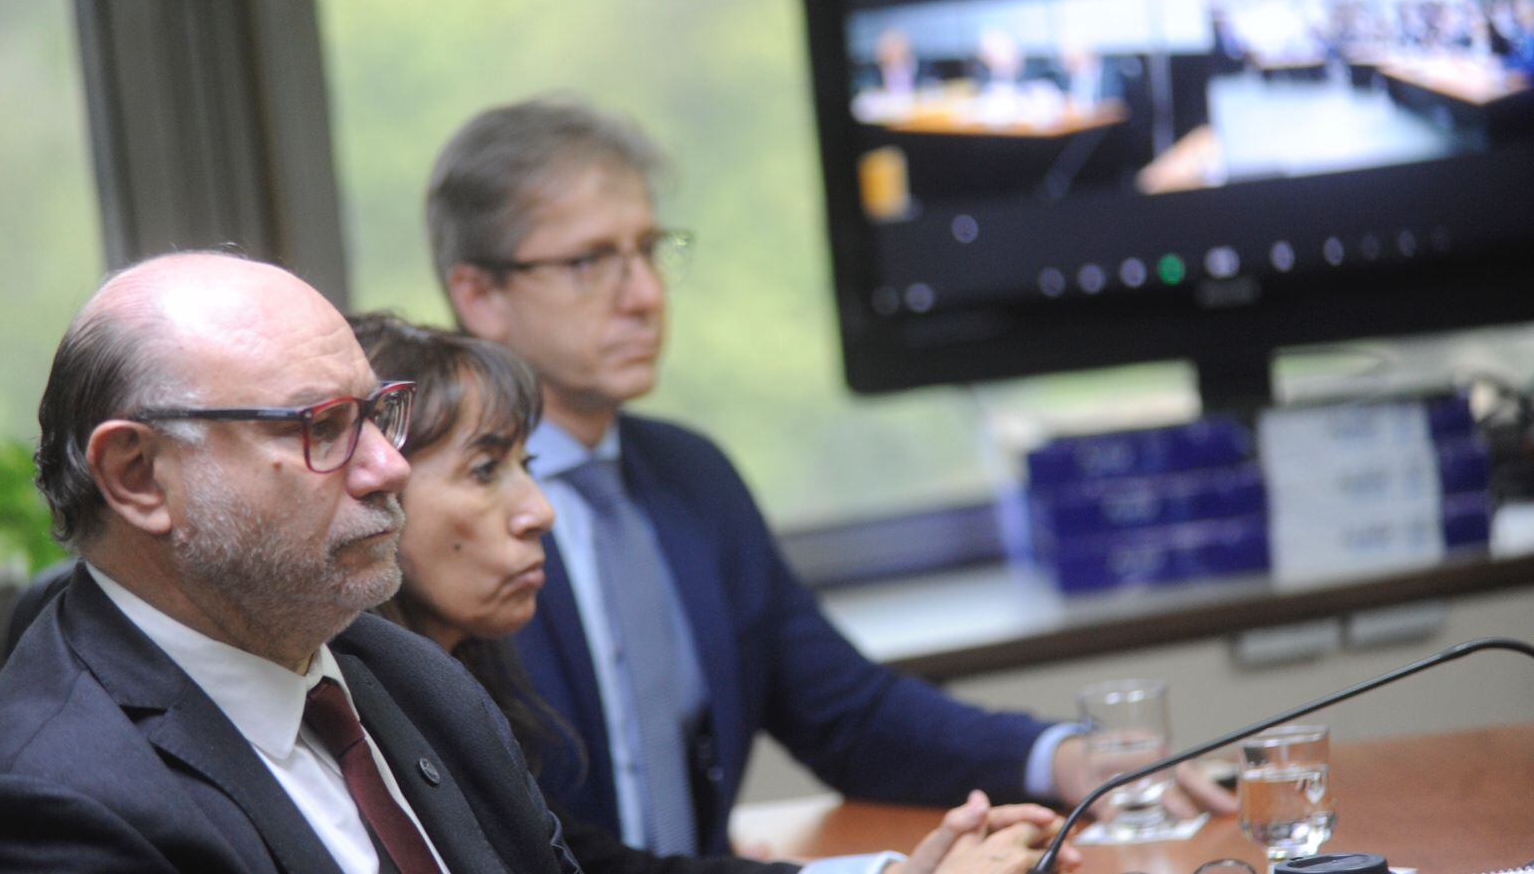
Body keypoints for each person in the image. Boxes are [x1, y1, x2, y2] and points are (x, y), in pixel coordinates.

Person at [423, 96, 1236, 858]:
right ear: (481, 297)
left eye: (648, 250)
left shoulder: (688, 477)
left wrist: (1061, 758)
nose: (644, 294)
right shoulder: (431, 523)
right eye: (591, 261)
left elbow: (845, 712)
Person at [350, 311, 1083, 874]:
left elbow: (591, 865)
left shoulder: (454, 684)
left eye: (527, 465)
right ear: (374, 487)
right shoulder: (355, 714)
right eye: (485, 472)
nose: (539, 509)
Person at [0, 251, 580, 872]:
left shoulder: (412, 676)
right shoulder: (39, 802)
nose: (389, 466)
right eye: (322, 427)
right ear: (138, 476)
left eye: (378, 414)